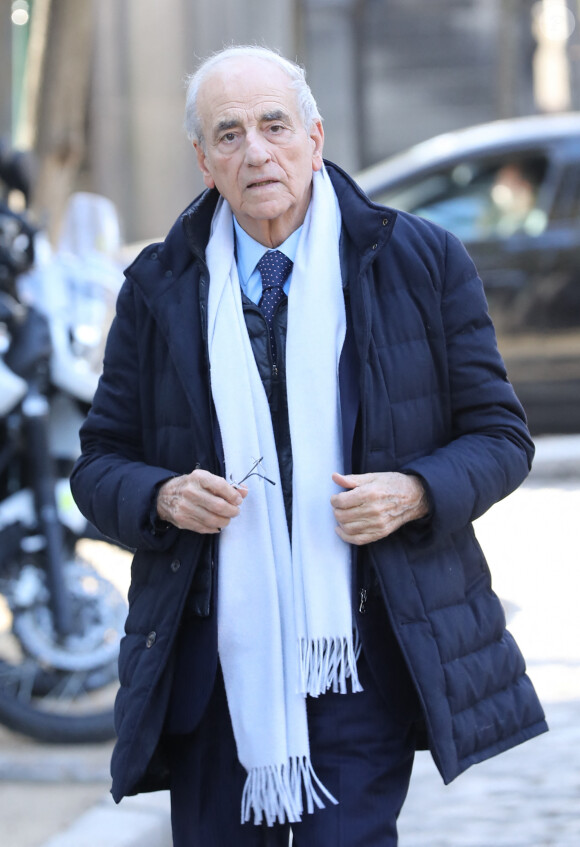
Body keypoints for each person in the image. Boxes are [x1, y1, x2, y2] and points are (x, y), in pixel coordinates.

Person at [70, 45, 548, 847]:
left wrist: (417, 490)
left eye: (273, 124)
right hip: (212, 659)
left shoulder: (421, 261)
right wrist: (160, 497)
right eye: (228, 134)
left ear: (315, 137)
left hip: (361, 650)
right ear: (203, 160)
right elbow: (98, 465)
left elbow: (501, 436)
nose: (255, 151)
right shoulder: (157, 285)